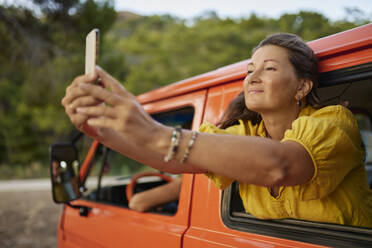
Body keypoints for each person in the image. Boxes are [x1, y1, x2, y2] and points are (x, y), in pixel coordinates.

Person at [61, 33, 372, 227]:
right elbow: (169, 159)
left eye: (270, 69)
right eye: (251, 70)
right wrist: (100, 131)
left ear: (302, 86)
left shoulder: (333, 122)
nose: (253, 77)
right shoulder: (245, 134)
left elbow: (281, 164)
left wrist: (155, 132)